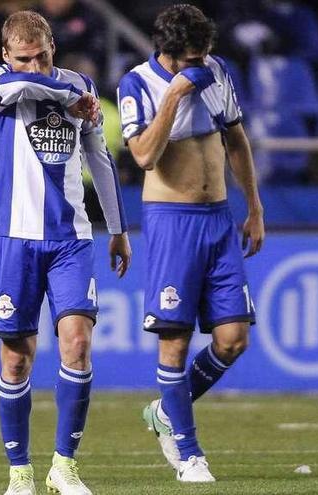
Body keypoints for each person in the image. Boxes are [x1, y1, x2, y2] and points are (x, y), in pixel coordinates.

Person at [0, 10, 131, 495]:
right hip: (13, 236)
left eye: (42, 56)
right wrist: (70, 98)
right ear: (6, 55)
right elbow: (17, 91)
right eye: (24, 58)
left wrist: (118, 227)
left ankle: (63, 466)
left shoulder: (78, 83)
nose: (35, 66)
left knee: (78, 344)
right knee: (16, 360)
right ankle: (19, 472)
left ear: (53, 49)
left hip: (70, 238)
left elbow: (99, 158)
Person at [117, 4, 264, 483]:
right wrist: (176, 95)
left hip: (219, 218)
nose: (199, 64)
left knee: (233, 338)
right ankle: (190, 453)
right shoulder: (138, 83)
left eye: (204, 54)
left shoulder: (215, 70)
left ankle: (164, 412)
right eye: (190, 58)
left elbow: (236, 140)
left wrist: (255, 208)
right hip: (171, 220)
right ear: (168, 52)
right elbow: (142, 155)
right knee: (174, 341)